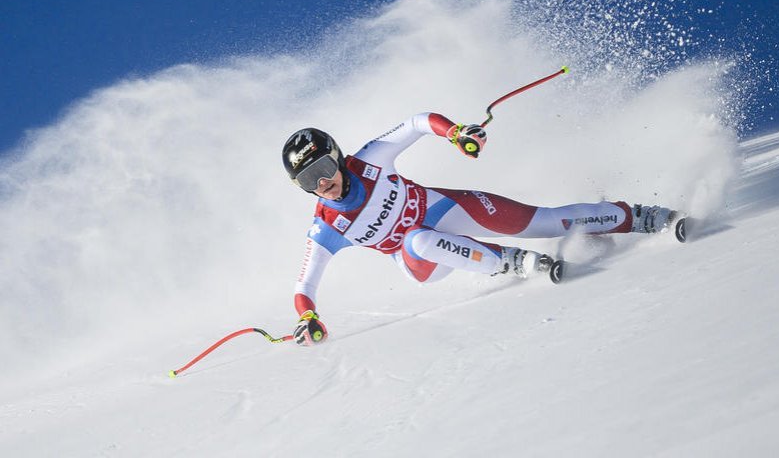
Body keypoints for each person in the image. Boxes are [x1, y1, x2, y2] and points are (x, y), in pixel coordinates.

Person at [283, 112, 678, 346]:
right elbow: (304, 288)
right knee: (418, 239)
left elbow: (417, 122)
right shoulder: (327, 226)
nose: (323, 184)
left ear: (336, 156)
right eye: (308, 181)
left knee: (546, 221)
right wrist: (308, 319)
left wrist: (454, 132)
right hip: (423, 260)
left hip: (449, 209)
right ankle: (512, 263)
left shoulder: (370, 160)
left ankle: (639, 216)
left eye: (323, 170)